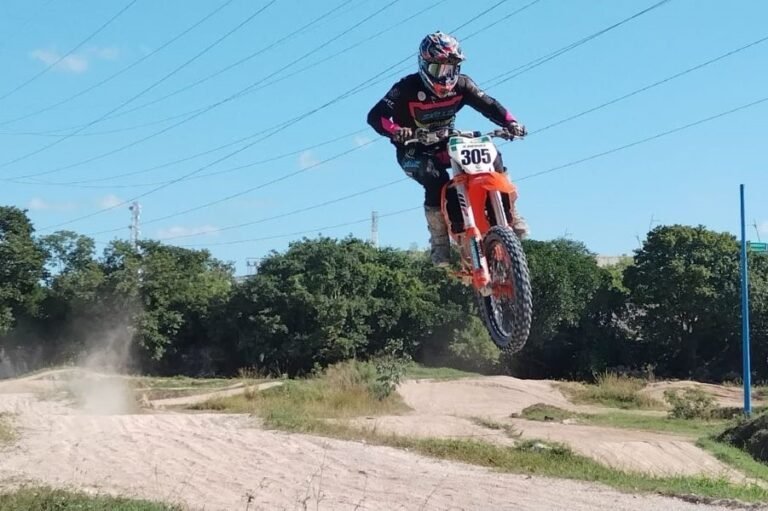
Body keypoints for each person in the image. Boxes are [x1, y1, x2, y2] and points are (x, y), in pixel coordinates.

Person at [366, 31, 528, 266]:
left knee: (490, 154)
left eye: (450, 69)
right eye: (438, 70)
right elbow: (375, 116)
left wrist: (511, 123)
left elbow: (489, 104)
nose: (445, 76)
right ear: (424, 65)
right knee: (435, 179)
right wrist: (396, 131)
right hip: (414, 148)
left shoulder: (462, 85)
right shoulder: (406, 88)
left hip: (447, 141)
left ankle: (509, 213)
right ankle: (440, 242)